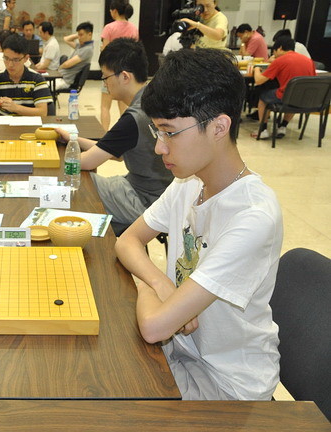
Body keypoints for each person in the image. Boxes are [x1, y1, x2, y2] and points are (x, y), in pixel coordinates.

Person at [116, 47, 282, 400]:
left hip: (228, 387)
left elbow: (154, 326)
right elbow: (127, 241)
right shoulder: (189, 184)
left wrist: (144, 287)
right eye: (157, 131)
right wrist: (161, 285)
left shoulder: (253, 216)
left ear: (219, 127)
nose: (160, 148)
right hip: (181, 354)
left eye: (170, 132)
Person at [56, 38, 172, 235]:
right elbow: (114, 152)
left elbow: (84, 162)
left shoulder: (134, 117)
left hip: (144, 201)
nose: (105, 84)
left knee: (75, 183)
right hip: (161, 194)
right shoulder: (151, 99)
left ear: (124, 76)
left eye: (105, 77)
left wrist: (49, 158)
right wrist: (72, 139)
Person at [250, 37, 316, 140]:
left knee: (263, 98)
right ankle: (283, 127)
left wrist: (257, 68)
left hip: (285, 96)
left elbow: (259, 80)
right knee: (294, 94)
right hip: (304, 98)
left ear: (280, 48)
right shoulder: (309, 61)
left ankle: (263, 130)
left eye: (274, 51)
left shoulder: (280, 61)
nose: (274, 54)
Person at [0, 35, 52, 116]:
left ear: (26, 58)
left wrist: (15, 108)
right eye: (6, 58)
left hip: (29, 124)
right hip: (3, 124)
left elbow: (42, 113)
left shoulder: (37, 79)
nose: (10, 64)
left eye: (16, 60)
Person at [100, 0, 139, 129]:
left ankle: (104, 134)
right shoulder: (133, 28)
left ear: (115, 11)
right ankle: (124, 132)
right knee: (124, 106)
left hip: (110, 71)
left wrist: (102, 49)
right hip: (126, 72)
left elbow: (105, 51)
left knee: (105, 106)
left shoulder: (109, 28)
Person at [57, 21, 94, 91]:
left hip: (65, 80)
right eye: (78, 35)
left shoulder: (87, 49)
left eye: (81, 35)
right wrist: (79, 35)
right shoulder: (81, 46)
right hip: (61, 77)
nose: (79, 38)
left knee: (41, 88)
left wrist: (58, 69)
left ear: (89, 34)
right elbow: (66, 39)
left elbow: (67, 64)